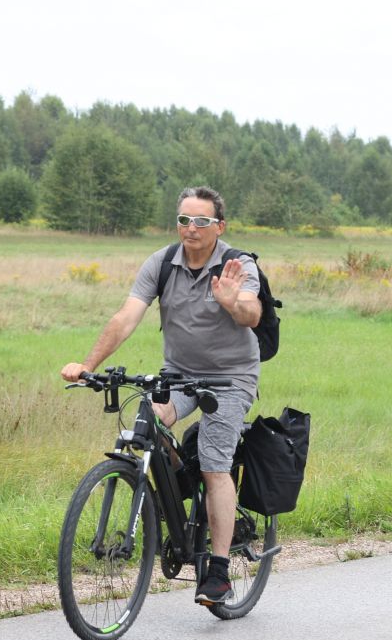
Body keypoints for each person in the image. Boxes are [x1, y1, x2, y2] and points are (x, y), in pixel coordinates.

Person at [60, 186, 262, 605]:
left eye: (201, 221)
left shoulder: (236, 264)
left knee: (214, 463)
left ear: (220, 226)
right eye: (184, 220)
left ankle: (219, 570)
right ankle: (179, 492)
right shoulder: (162, 263)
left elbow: (252, 313)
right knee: (148, 420)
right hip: (180, 373)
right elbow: (126, 316)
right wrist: (88, 365)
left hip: (230, 378)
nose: (191, 228)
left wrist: (231, 303)